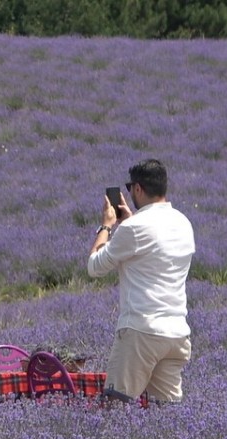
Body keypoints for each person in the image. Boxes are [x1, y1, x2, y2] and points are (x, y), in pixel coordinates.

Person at [87, 159, 195, 404]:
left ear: (137, 189)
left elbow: (95, 266)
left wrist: (106, 226)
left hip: (141, 332)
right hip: (177, 334)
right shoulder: (183, 223)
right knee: (166, 415)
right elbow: (151, 249)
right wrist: (129, 223)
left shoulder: (134, 228)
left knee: (116, 408)